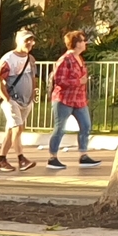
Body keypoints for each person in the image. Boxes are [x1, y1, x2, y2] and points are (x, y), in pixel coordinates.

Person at [45, 29, 99, 169]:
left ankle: (83, 155)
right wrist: (78, 82)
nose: (84, 43)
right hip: (64, 99)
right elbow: (60, 80)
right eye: (81, 40)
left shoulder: (79, 59)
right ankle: (53, 157)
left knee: (86, 126)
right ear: (75, 43)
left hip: (79, 100)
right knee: (60, 128)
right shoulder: (65, 59)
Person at [0, 26, 37, 173]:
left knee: (13, 130)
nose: (30, 43)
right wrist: (6, 97)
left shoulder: (30, 59)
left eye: (32, 40)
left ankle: (3, 159)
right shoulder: (9, 59)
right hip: (12, 100)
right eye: (27, 40)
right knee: (17, 128)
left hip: (26, 101)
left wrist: (33, 94)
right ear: (19, 41)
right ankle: (19, 159)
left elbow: (32, 77)